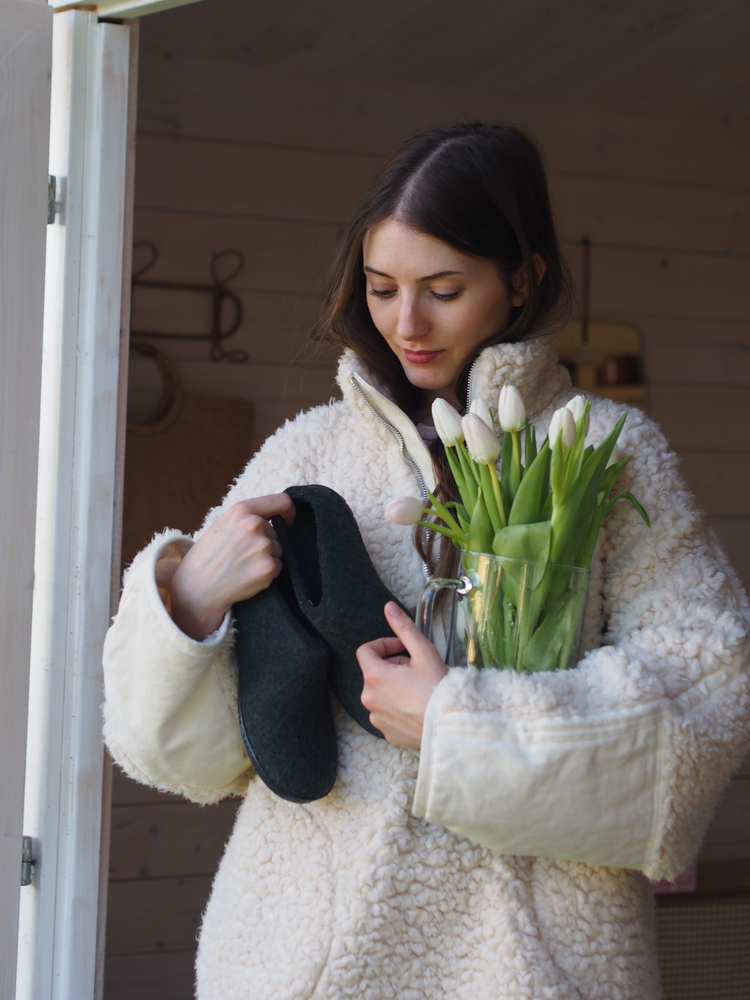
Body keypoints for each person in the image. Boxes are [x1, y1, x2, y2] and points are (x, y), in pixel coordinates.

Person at [103, 123, 750, 1000]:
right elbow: (178, 759)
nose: (406, 323)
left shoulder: (604, 452)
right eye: (382, 288)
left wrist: (460, 722)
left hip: (522, 971)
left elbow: (710, 694)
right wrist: (188, 606)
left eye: (444, 289)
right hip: (302, 966)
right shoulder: (308, 456)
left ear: (523, 277)